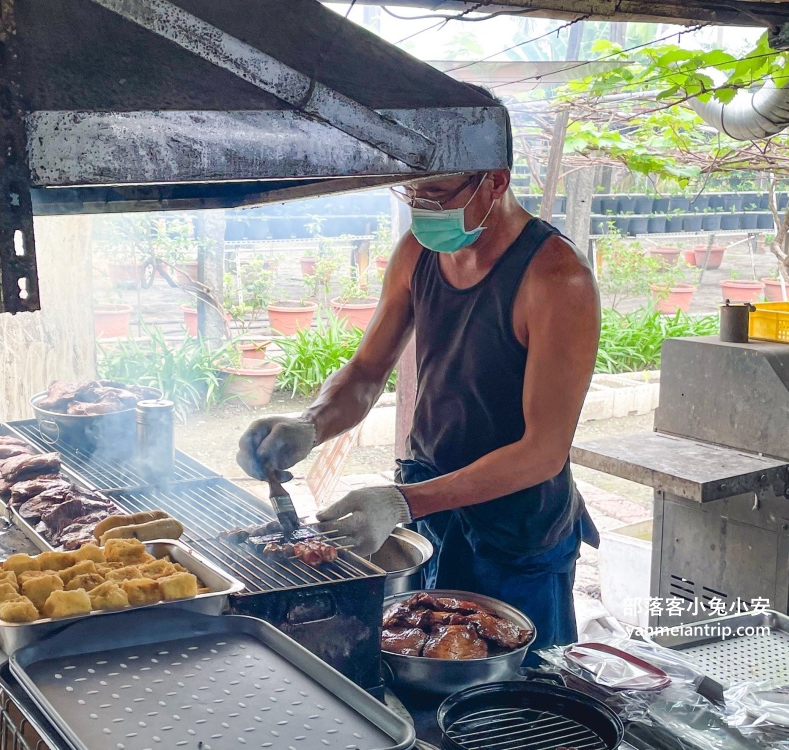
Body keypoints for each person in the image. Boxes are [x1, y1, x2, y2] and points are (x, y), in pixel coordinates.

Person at [237, 121, 601, 654]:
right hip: (432, 503)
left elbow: (542, 452)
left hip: (516, 529)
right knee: (428, 658)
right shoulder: (417, 252)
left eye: (434, 193)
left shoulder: (556, 278)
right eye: (410, 192)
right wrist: (309, 424)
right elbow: (365, 372)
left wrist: (403, 502)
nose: (421, 209)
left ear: (495, 181)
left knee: (519, 691)